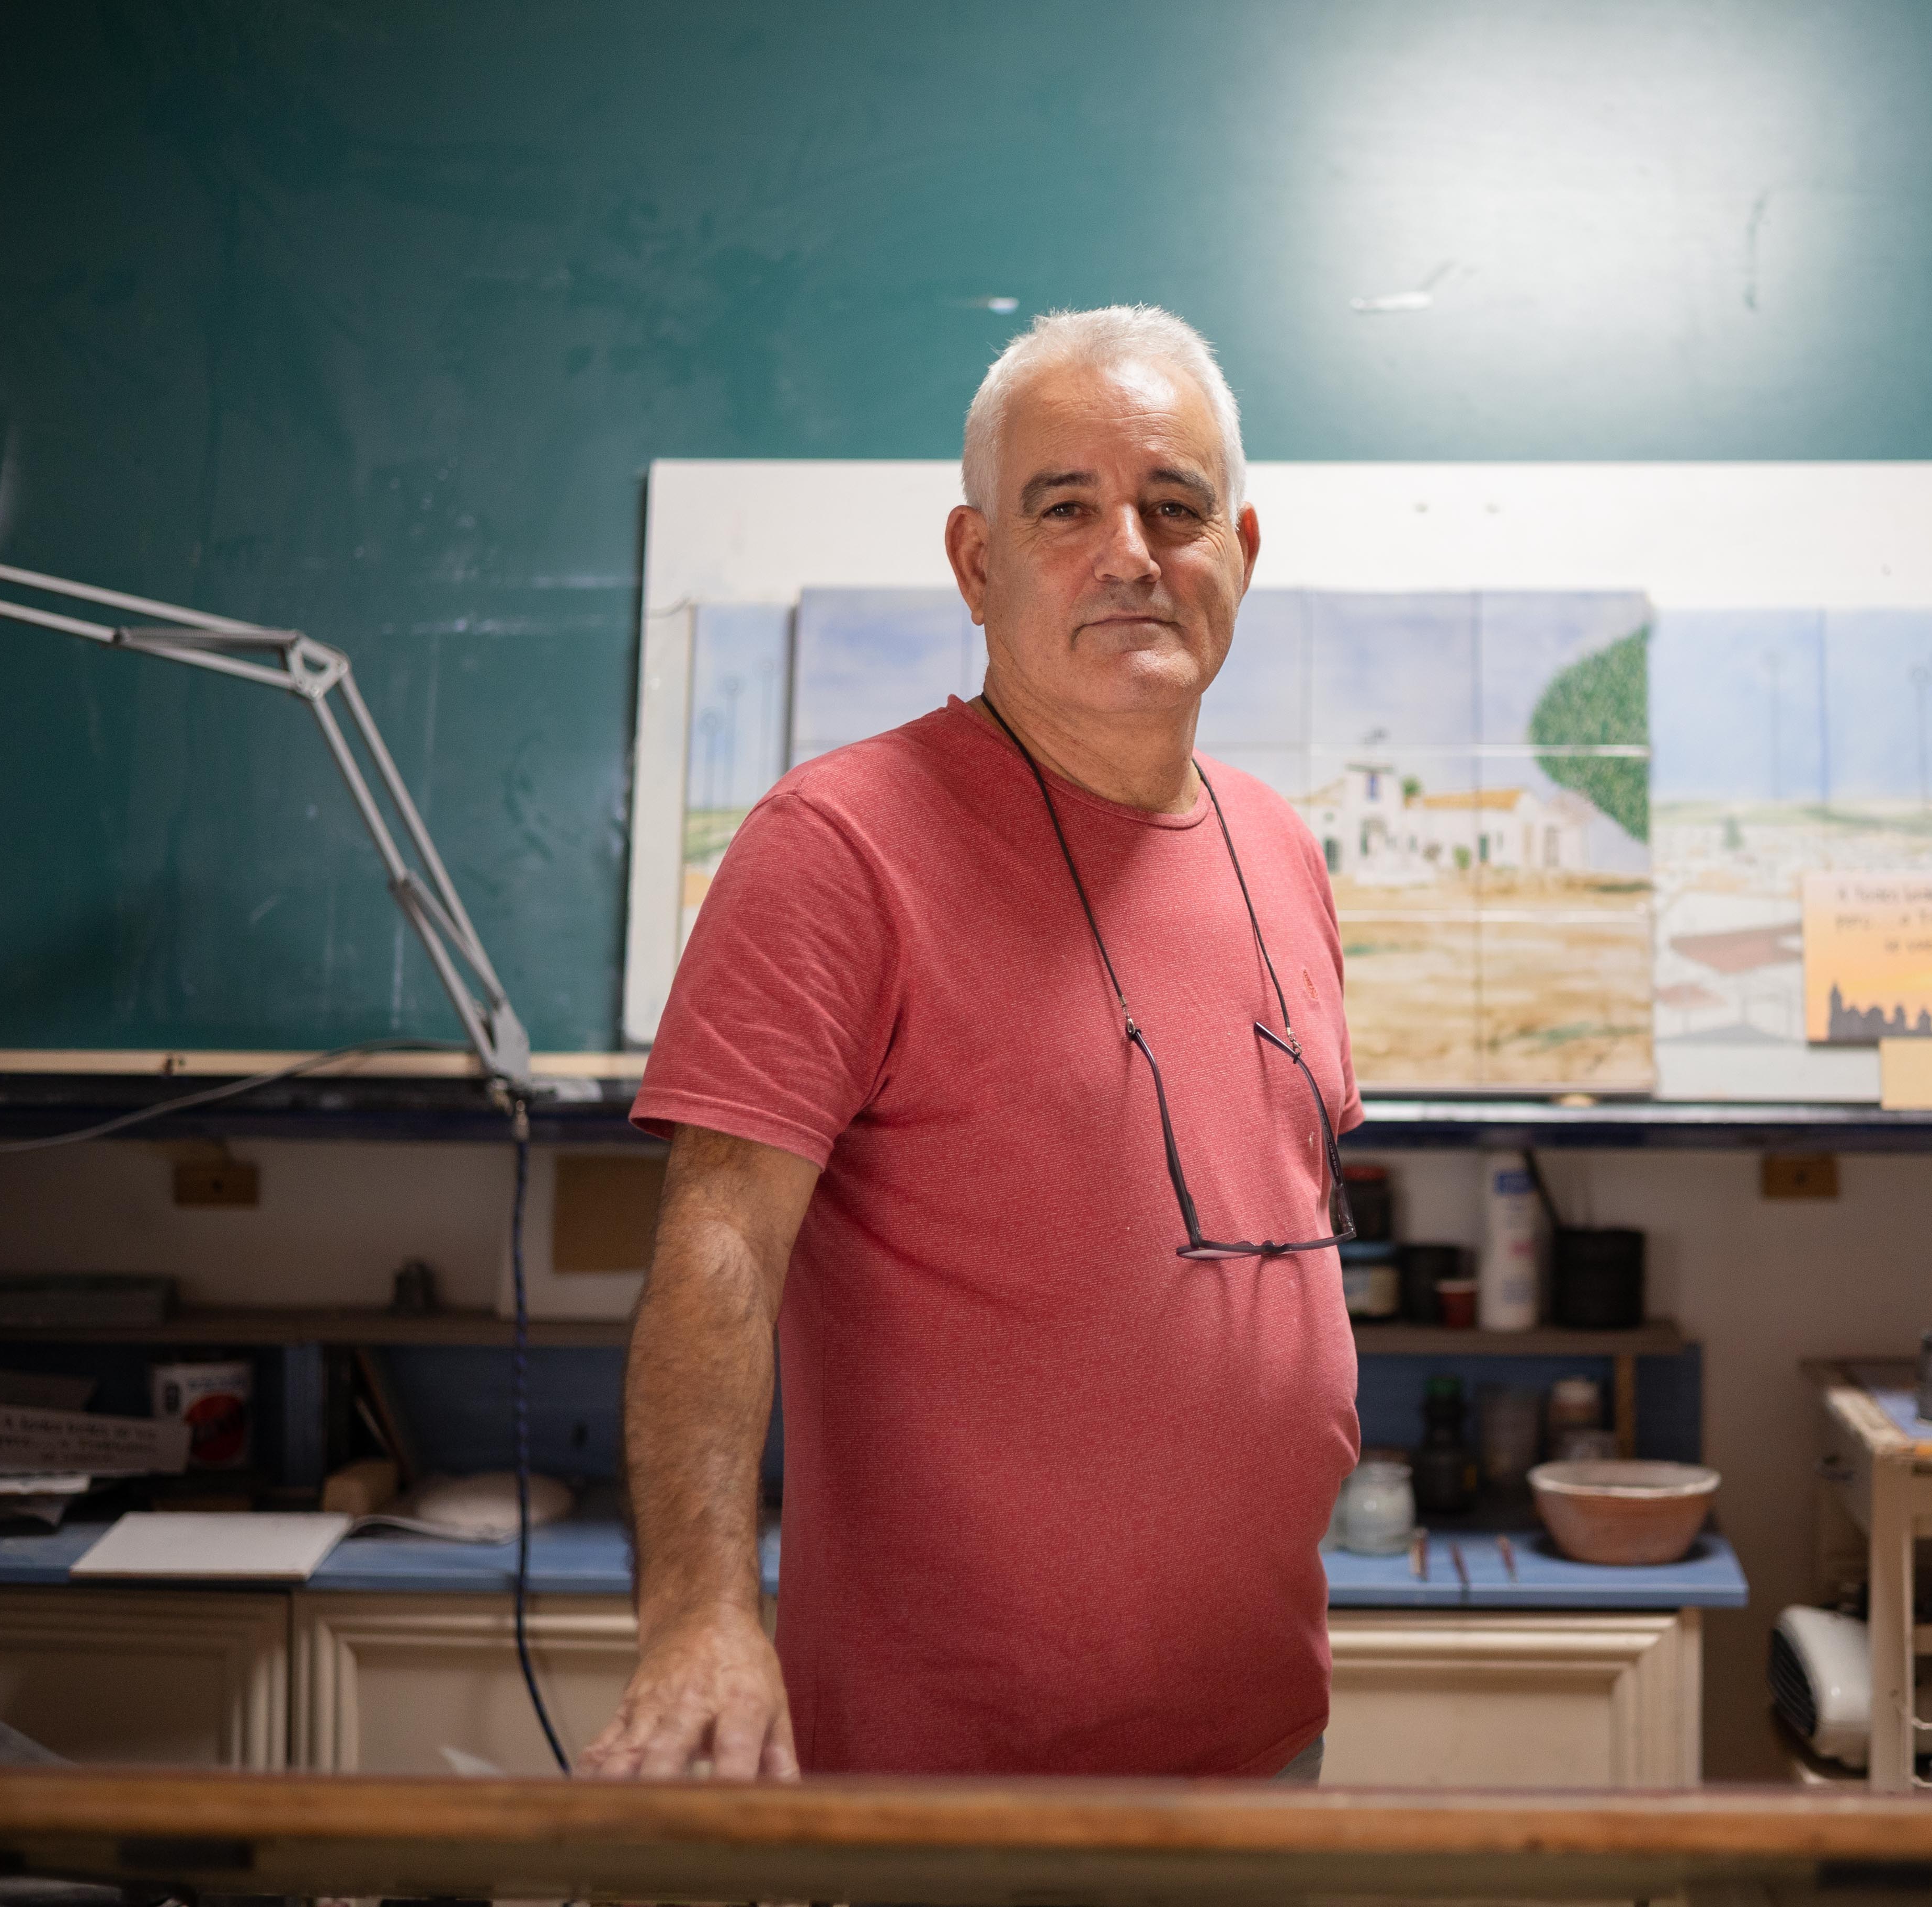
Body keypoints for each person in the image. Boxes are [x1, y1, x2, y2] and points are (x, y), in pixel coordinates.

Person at [581, 306, 1361, 1783]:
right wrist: (697, 1618)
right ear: (976, 562)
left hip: (1264, 1745)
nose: (1132, 550)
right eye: (1065, 506)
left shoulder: (1282, 847)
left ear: (1241, 551)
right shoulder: (839, 845)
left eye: (1176, 508)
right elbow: (721, 1246)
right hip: (950, 1780)